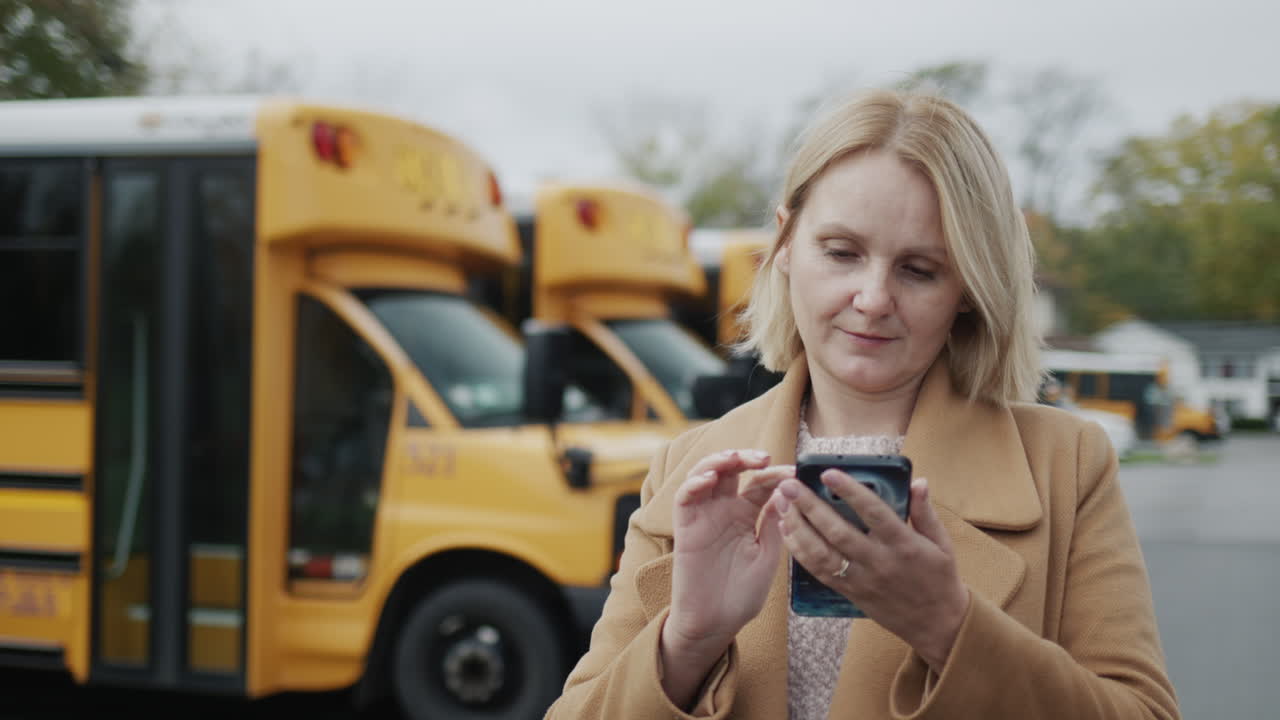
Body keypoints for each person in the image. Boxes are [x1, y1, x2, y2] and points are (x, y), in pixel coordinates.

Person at [544, 89, 1179, 720]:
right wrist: (684, 642)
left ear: (968, 287)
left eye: (920, 269)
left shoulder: (1067, 464)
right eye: (842, 252)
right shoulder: (687, 466)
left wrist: (949, 627)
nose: (873, 298)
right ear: (786, 243)